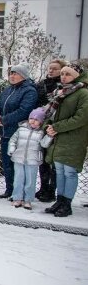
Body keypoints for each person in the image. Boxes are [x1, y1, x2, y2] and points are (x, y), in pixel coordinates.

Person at [43, 63, 88, 217]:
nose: (63, 76)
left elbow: (81, 118)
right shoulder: (60, 92)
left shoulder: (83, 93)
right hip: (59, 137)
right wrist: (48, 126)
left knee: (69, 172)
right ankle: (60, 200)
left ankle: (67, 203)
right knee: (60, 171)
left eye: (67, 74)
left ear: (76, 76)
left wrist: (57, 127)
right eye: (62, 73)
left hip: (74, 138)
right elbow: (51, 113)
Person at [0, 64, 38, 199]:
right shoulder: (8, 90)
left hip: (20, 133)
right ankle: (10, 188)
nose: (12, 76)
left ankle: (20, 191)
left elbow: (24, 111)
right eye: (11, 73)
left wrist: (4, 119)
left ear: (23, 75)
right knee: (7, 163)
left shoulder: (29, 91)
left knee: (18, 165)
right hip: (5, 132)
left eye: (15, 73)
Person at [35, 59, 67, 202]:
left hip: (56, 127)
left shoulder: (64, 87)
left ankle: (51, 190)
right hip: (41, 124)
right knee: (43, 159)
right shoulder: (42, 85)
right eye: (50, 68)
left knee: (53, 160)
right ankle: (43, 187)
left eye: (55, 68)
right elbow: (36, 102)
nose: (51, 70)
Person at [8, 107, 53, 210]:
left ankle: (28, 200)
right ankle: (17, 198)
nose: (33, 121)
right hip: (18, 158)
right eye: (31, 118)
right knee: (18, 179)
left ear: (41, 122)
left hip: (33, 160)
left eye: (37, 120)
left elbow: (44, 144)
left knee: (30, 181)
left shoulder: (41, 133)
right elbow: (13, 140)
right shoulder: (21, 129)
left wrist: (49, 137)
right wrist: (11, 149)